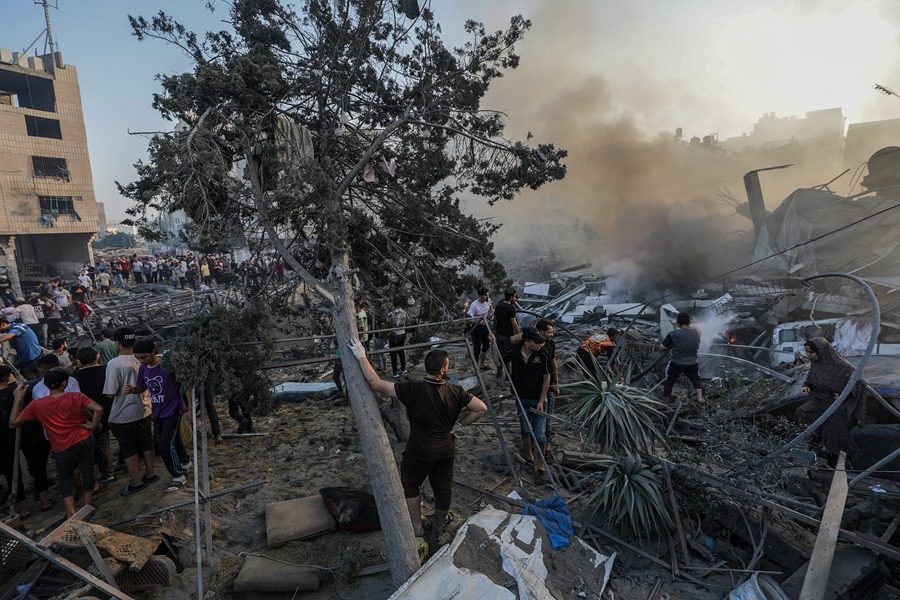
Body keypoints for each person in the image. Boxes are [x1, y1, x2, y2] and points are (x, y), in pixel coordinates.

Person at [348, 338, 487, 540]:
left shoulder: (412, 389)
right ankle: (439, 527)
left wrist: (361, 355)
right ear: (443, 369)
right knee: (442, 487)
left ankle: (417, 527)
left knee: (411, 484)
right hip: (445, 448)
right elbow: (481, 408)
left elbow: (376, 384)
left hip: (419, 449)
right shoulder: (456, 392)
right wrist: (458, 426)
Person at [11, 368, 102, 516]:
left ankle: (71, 512)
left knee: (64, 478)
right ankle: (88, 505)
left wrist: (17, 398)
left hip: (60, 445)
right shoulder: (76, 397)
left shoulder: (37, 404)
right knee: (87, 472)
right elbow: (98, 408)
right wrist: (92, 425)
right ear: (64, 383)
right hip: (83, 438)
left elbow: (13, 422)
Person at [128, 339, 190, 492]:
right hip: (158, 410)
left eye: (144, 357)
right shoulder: (143, 369)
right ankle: (186, 461)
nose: (141, 360)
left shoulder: (167, 366)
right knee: (174, 439)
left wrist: (188, 405)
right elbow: (142, 387)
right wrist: (133, 390)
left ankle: (178, 475)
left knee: (164, 445)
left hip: (173, 409)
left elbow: (184, 384)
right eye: (138, 358)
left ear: (153, 352)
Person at [103, 328, 156, 496]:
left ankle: (136, 481)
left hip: (123, 413)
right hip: (145, 408)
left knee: (128, 448)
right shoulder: (143, 358)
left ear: (118, 343)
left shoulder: (114, 364)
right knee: (146, 442)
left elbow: (110, 392)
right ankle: (150, 473)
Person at [795, 337, 867, 461]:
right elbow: (811, 378)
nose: (808, 355)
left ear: (821, 351)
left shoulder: (842, 366)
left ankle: (836, 456)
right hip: (820, 400)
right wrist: (807, 386)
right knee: (801, 413)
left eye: (811, 352)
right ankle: (813, 441)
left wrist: (844, 395)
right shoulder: (816, 363)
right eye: (807, 352)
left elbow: (858, 384)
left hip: (836, 402)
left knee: (834, 428)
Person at [505, 327, 550, 476]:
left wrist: (542, 400)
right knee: (525, 429)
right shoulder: (514, 353)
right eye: (537, 343)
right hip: (521, 397)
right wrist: (493, 344)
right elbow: (498, 360)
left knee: (539, 434)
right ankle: (528, 455)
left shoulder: (542, 354)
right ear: (527, 342)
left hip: (538, 398)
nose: (540, 345)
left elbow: (546, 378)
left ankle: (540, 463)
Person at [512, 318, 557, 463]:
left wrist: (556, 383)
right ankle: (529, 450)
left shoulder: (549, 346)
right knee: (527, 426)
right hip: (527, 391)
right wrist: (528, 334)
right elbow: (512, 340)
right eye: (549, 332)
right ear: (541, 332)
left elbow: (552, 364)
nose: (552, 334)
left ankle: (544, 452)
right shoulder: (530, 346)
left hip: (546, 388)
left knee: (545, 424)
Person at [74, 347, 114, 483]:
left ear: (79, 360)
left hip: (93, 413)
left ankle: (107, 472)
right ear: (97, 356)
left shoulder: (75, 377)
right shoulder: (107, 369)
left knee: (102, 444)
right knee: (124, 438)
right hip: (114, 408)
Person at [0, 366, 28, 516]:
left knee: (12, 474)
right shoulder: (18, 392)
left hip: (5, 439)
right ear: (9, 376)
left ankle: (22, 507)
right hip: (22, 432)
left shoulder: (17, 391)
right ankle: (41, 499)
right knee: (33, 466)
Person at [661, 313, 703, 403]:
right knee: (696, 378)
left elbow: (662, 347)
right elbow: (697, 335)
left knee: (670, 379)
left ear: (678, 323)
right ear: (689, 322)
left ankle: (666, 397)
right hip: (692, 362)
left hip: (677, 362)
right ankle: (700, 397)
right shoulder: (696, 331)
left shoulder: (673, 333)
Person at [493, 289, 520, 376]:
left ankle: (499, 371)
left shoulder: (498, 306)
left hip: (499, 335)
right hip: (508, 336)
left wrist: (495, 331)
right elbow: (514, 323)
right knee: (509, 354)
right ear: (511, 297)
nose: (516, 299)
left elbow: (495, 320)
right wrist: (519, 334)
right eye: (515, 297)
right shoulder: (511, 309)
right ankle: (508, 375)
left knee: (501, 354)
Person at [466, 288, 494, 370]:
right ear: (480, 296)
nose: (487, 296)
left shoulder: (488, 302)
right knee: (477, 348)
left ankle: (482, 364)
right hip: (476, 328)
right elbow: (469, 319)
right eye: (485, 295)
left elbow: (490, 312)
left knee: (486, 345)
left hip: (485, 326)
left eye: (488, 294)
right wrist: (478, 322)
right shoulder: (474, 305)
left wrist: (490, 313)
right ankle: (475, 366)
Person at [386, 298, 409, 378]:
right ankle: (403, 369)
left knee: (393, 354)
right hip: (402, 334)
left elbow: (388, 323)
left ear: (393, 304)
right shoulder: (404, 312)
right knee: (401, 351)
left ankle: (395, 372)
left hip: (394, 335)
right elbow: (407, 322)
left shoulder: (391, 314)